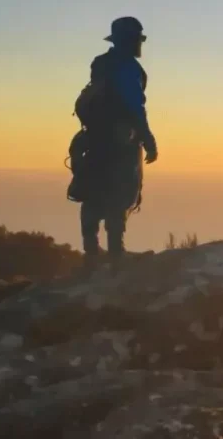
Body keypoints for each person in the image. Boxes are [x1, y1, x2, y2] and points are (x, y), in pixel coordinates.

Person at [79, 17, 158, 267]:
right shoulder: (128, 67)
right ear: (130, 41)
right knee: (121, 190)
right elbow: (135, 104)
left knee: (95, 188)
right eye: (137, 40)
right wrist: (148, 138)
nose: (140, 44)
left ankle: (91, 251)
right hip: (122, 139)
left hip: (96, 137)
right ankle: (116, 252)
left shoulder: (101, 63)